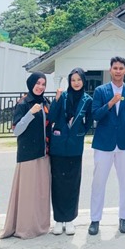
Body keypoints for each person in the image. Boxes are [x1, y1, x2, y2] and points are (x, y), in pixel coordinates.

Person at [88, 56, 125, 235]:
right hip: (104, 143)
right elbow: (95, 115)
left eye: (121, 68)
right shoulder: (100, 91)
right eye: (115, 68)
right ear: (110, 70)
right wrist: (110, 103)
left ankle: (123, 218)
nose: (118, 71)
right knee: (98, 183)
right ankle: (95, 220)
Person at [1, 73, 51, 239]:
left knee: (42, 192)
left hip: (44, 153)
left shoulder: (46, 103)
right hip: (28, 154)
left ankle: (41, 226)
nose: (41, 87)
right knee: (28, 193)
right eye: (38, 83)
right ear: (31, 84)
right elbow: (16, 130)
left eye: (43, 84)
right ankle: (25, 228)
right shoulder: (23, 103)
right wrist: (30, 113)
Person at [48, 68, 92, 236]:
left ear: (83, 81)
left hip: (75, 148)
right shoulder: (63, 96)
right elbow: (51, 117)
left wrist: (80, 132)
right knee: (58, 184)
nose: (76, 83)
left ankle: (70, 219)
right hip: (58, 147)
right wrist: (57, 101)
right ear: (69, 81)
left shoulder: (87, 100)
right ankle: (59, 220)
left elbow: (89, 122)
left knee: (73, 184)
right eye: (73, 80)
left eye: (78, 80)